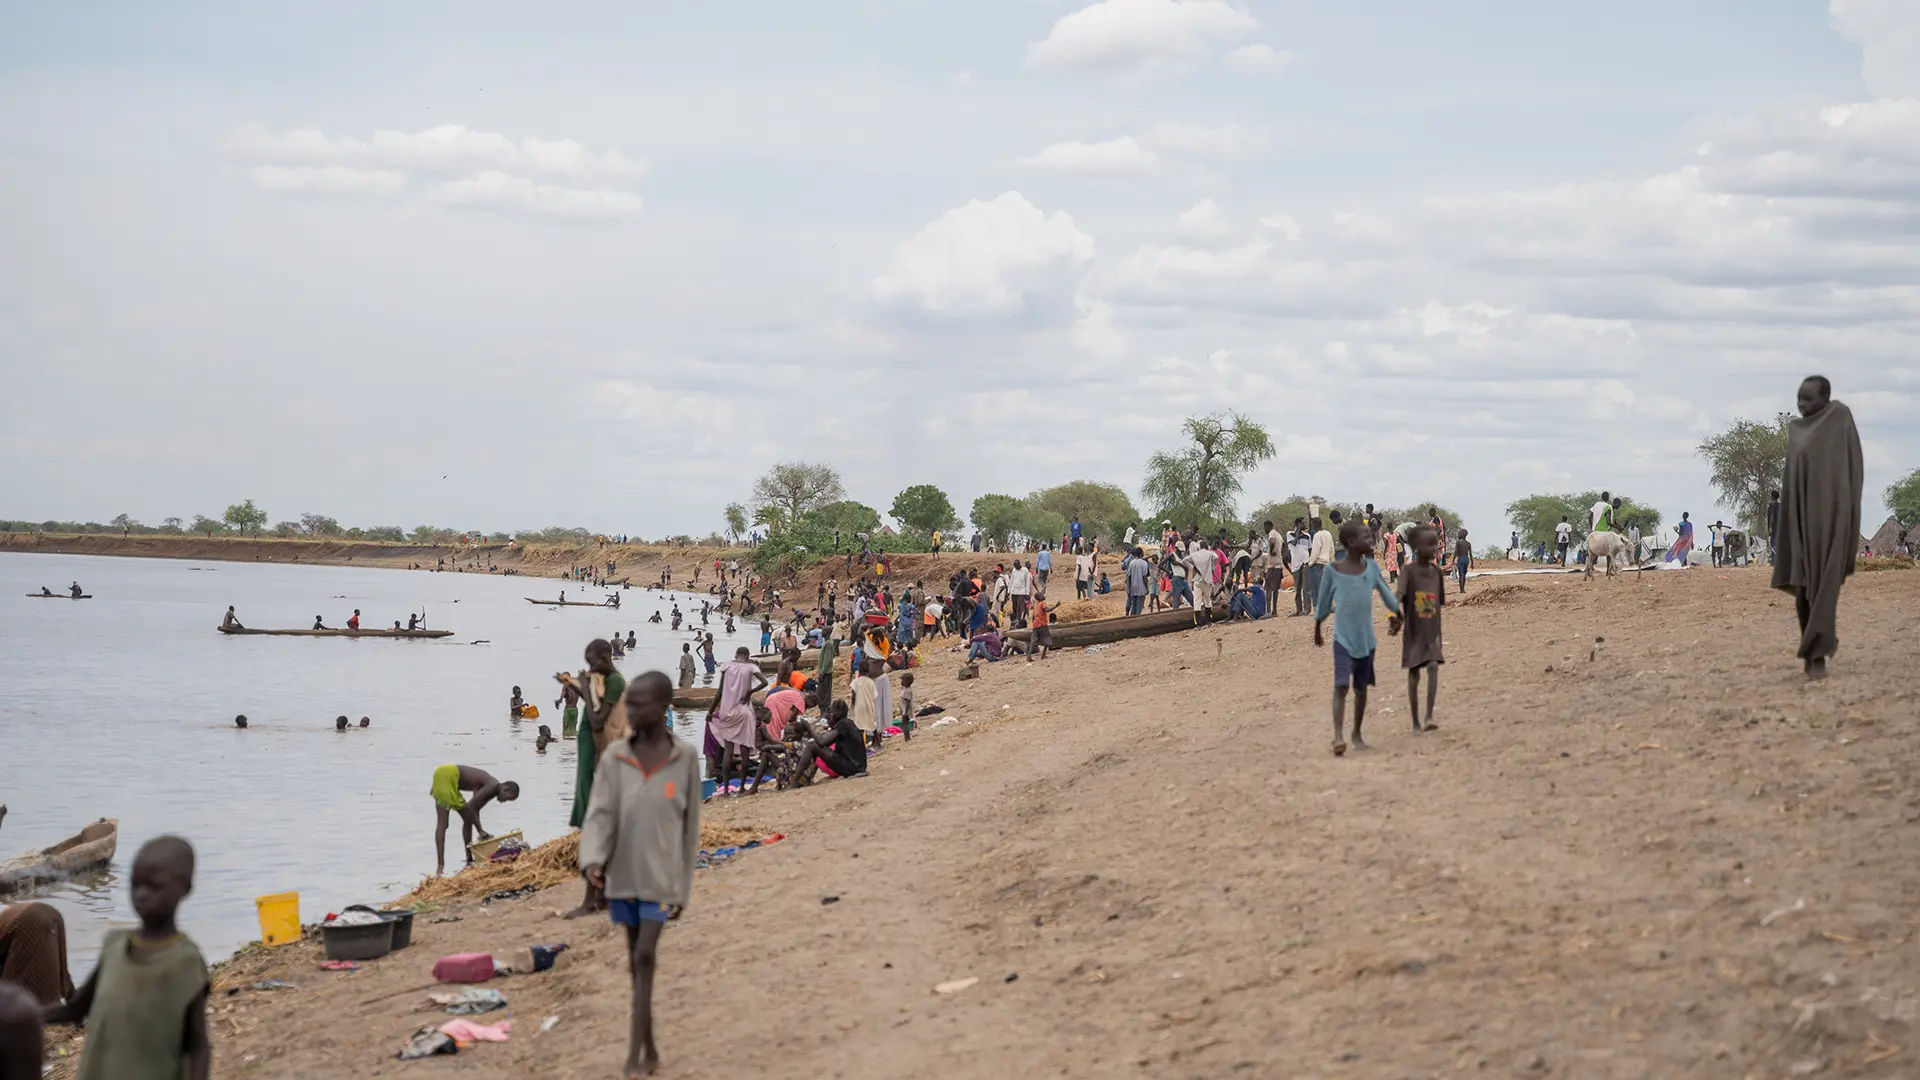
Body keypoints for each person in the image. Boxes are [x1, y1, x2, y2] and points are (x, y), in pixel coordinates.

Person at [578, 671, 699, 1080]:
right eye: (629, 703)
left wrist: (683, 889)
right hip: (623, 877)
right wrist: (593, 860)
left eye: (638, 704)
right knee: (636, 961)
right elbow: (599, 815)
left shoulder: (684, 758)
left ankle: (633, 1056)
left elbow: (689, 831)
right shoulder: (616, 759)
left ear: (663, 708)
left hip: (662, 879)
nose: (629, 710)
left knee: (646, 955)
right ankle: (650, 1047)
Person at [45, 836, 209, 1080]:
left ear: (185, 887)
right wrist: (26, 1013)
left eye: (154, 886)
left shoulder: (185, 962)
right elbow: (78, 1007)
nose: (141, 895)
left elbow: (197, 1045)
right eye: (135, 885)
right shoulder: (115, 946)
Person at [1772, 375, 1864, 680]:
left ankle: (1818, 654)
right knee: (1802, 589)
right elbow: (1792, 482)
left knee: (1825, 591)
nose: (1801, 404)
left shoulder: (1841, 421)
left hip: (1833, 523)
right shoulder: (1796, 430)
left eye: (1808, 399)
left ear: (1825, 399)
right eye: (1799, 398)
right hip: (1800, 521)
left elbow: (1852, 470)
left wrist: (1848, 515)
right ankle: (1810, 649)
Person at [1313, 519, 1402, 756]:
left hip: (1366, 641)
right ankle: (1338, 736)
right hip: (1342, 639)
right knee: (1341, 685)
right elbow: (1323, 602)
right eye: (1365, 537)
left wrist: (1397, 613)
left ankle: (1357, 733)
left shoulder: (1372, 568)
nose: (1370, 539)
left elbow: (1385, 592)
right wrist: (1318, 626)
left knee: (1361, 689)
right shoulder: (1333, 571)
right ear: (1351, 543)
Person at [559, 639, 625, 917]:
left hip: (598, 761)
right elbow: (597, 713)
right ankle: (602, 895)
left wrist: (582, 687)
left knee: (593, 825)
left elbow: (598, 721)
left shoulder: (615, 682)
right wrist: (581, 687)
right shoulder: (604, 681)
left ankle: (592, 900)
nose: (590, 667)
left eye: (594, 661)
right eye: (588, 663)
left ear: (606, 655)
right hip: (592, 760)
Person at [1396, 524, 1445, 734]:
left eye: (1436, 543)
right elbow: (1398, 595)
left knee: (1433, 666)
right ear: (1415, 547)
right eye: (1429, 544)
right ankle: (1415, 719)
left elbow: (1438, 606)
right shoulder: (1408, 571)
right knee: (1414, 672)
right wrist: (1393, 613)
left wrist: (1440, 636)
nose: (1434, 548)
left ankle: (1429, 715)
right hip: (1413, 632)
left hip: (1432, 632)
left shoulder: (1437, 573)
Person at [430, 765, 518, 875]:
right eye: (507, 798)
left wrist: (480, 830)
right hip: (448, 775)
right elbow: (471, 807)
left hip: (443, 774)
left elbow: (474, 811)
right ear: (505, 789)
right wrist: (480, 830)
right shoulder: (492, 785)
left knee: (466, 820)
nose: (504, 802)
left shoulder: (491, 790)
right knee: (443, 823)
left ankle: (468, 859)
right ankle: (441, 867)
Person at [706, 648, 768, 796]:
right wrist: (751, 692)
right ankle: (741, 788)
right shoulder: (750, 667)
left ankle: (726, 790)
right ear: (747, 656)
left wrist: (710, 711)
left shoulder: (726, 666)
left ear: (735, 655)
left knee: (728, 749)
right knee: (745, 748)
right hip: (744, 710)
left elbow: (719, 693)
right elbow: (764, 682)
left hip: (726, 711)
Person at [0, 901, 73, 1008]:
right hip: (49, 912)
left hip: (28, 920)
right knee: (60, 973)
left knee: (13, 995)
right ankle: (80, 1016)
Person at [796, 699, 867, 783]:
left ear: (837, 714)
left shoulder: (843, 724)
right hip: (856, 766)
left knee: (812, 745)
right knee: (814, 745)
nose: (829, 715)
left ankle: (794, 782)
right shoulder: (846, 724)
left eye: (831, 712)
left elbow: (821, 742)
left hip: (852, 768)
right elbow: (824, 742)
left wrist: (808, 728)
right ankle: (807, 779)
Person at [1124, 548, 1152, 616]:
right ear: (1141, 553)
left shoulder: (1132, 563)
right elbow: (1144, 576)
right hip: (1141, 587)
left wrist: (1130, 587)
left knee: (1134, 604)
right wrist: (1146, 587)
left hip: (1133, 587)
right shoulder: (1144, 563)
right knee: (1139, 606)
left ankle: (1132, 618)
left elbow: (1129, 576)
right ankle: (1137, 618)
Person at [895, 672, 916, 740]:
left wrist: (905, 713)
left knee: (904, 724)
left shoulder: (907, 691)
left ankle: (907, 737)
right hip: (904, 710)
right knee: (904, 724)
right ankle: (907, 737)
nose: (901, 682)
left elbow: (907, 703)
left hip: (906, 712)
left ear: (906, 682)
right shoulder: (905, 690)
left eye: (902, 680)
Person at [1452, 528, 1472, 593]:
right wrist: (1472, 563)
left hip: (1460, 559)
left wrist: (1453, 560)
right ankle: (1463, 589)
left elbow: (1456, 553)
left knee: (1461, 575)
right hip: (1466, 559)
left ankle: (1461, 590)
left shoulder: (1458, 543)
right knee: (1464, 574)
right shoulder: (1468, 543)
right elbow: (1470, 554)